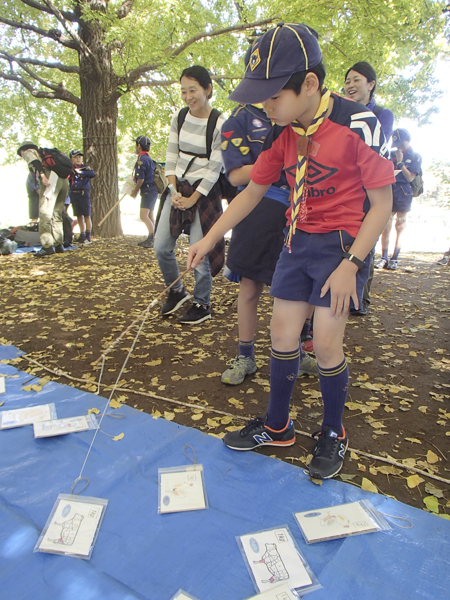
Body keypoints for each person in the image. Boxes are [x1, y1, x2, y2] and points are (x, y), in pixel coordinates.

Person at [187, 23, 394, 479]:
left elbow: (382, 204)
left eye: (273, 96)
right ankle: (278, 426)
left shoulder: (359, 123)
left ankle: (334, 431)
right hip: (296, 241)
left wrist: (352, 265)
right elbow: (249, 194)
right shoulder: (282, 133)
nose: (266, 106)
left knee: (323, 341)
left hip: (342, 248)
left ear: (310, 84)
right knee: (281, 333)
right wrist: (209, 238)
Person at [220, 100, 318, 385]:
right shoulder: (239, 119)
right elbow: (237, 174)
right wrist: (282, 167)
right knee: (250, 286)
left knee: (299, 287)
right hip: (258, 209)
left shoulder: (301, 114)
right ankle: (245, 356)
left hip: (301, 211)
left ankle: (297, 353)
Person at [154, 65, 225, 325]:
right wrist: (173, 191)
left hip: (203, 194)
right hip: (177, 190)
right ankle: (177, 292)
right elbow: (171, 157)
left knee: (199, 252)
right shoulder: (180, 117)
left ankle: (202, 303)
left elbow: (215, 168)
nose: (187, 96)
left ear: (207, 89)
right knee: (161, 246)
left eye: (192, 90)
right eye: (183, 91)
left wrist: (193, 198)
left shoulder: (219, 122)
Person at [344, 61, 394, 314]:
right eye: (348, 81)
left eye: (357, 80)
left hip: (370, 191)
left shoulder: (382, 115)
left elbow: (373, 146)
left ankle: (357, 300)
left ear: (371, 85)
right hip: (344, 189)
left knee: (366, 242)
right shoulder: (338, 111)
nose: (350, 85)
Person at [375, 128, 422, 270]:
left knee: (400, 226)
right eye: (397, 144)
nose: (399, 146)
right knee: (386, 226)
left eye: (401, 143)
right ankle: (384, 257)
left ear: (408, 140)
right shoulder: (391, 154)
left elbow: (410, 177)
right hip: (390, 190)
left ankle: (395, 258)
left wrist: (400, 163)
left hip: (404, 192)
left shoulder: (415, 156)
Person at [17, 141, 69, 257]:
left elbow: (34, 162)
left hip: (50, 178)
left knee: (45, 212)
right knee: (57, 213)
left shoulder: (29, 152)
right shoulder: (46, 153)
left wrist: (42, 175)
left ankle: (47, 246)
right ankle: (58, 244)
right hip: (63, 180)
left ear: (23, 150)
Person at [130, 135, 158, 248]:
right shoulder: (149, 159)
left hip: (147, 190)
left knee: (143, 215)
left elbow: (140, 179)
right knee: (150, 215)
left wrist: (135, 191)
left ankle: (151, 238)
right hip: (152, 190)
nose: (135, 148)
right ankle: (155, 237)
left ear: (139, 146)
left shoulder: (141, 160)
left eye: (136, 145)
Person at [69, 150, 96, 244]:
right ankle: (82, 234)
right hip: (74, 193)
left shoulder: (85, 168)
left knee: (87, 215)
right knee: (78, 215)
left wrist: (79, 172)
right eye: (76, 157)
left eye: (80, 157)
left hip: (83, 193)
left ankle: (88, 237)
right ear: (71, 159)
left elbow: (92, 174)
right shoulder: (69, 169)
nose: (78, 159)